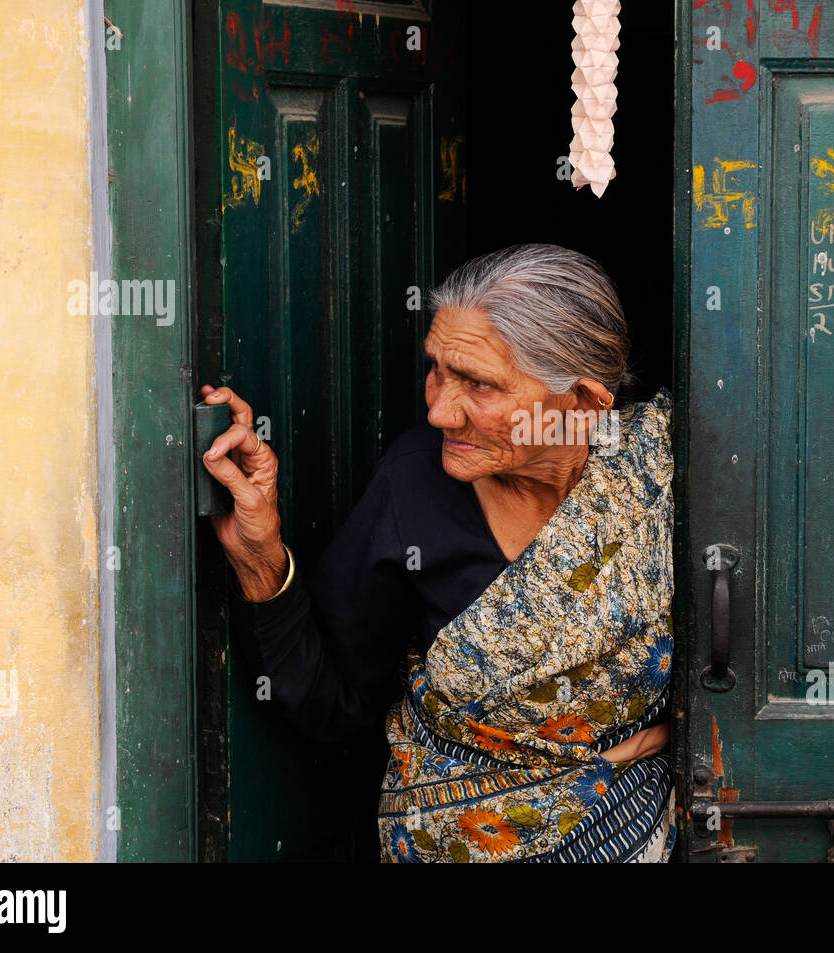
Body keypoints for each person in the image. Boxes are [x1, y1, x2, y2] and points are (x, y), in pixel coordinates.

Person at [200, 243, 675, 862]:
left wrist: (675, 736)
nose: (438, 409)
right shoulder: (415, 486)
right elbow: (336, 701)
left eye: (478, 384)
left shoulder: (663, 477)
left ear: (582, 405)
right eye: (437, 370)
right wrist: (258, 554)